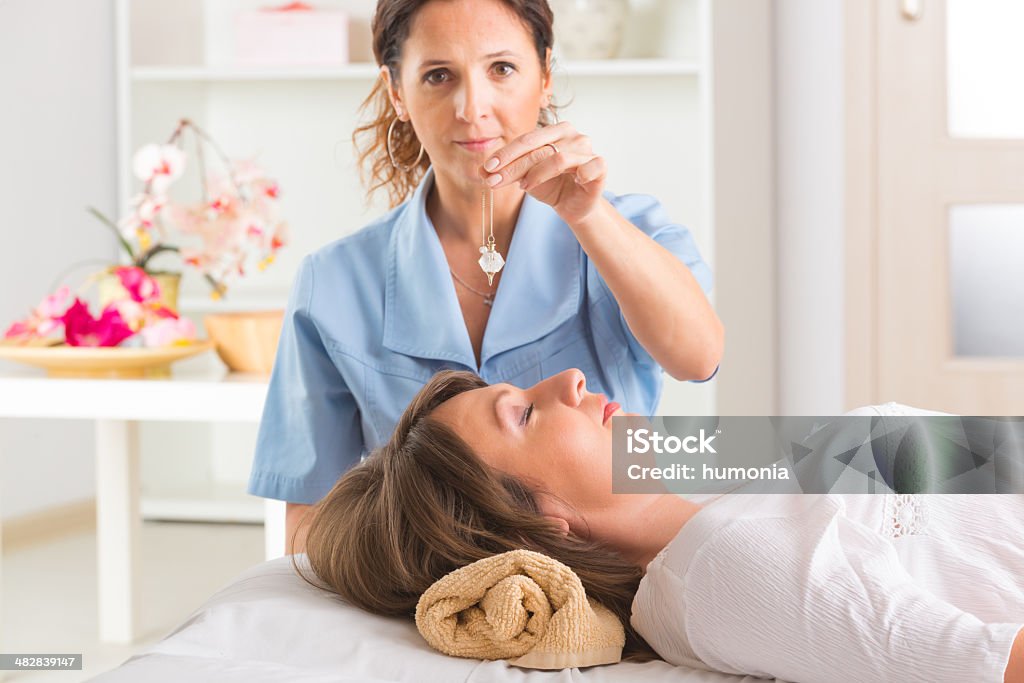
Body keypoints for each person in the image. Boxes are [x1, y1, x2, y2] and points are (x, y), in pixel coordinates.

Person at [248, 0, 723, 555]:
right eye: (438, 75)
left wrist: (586, 215)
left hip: (614, 571)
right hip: (423, 600)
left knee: (837, 457)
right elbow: (309, 522)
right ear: (397, 92)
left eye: (502, 69)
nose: (473, 108)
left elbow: (699, 358)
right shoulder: (332, 282)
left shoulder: (628, 230)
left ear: (544, 75)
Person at [299, 368, 1024, 682]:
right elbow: (979, 662)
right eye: (524, 413)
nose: (570, 382)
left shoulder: (728, 472)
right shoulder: (723, 568)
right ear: (536, 525)